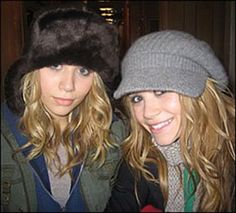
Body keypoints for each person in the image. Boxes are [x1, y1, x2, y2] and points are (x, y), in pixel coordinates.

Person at [1, 7, 126, 212]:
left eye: (83, 71)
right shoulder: (4, 136)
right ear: (32, 71)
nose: (68, 85)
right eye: (56, 66)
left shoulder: (114, 133)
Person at [105, 30, 235, 212]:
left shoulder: (229, 154)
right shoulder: (139, 159)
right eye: (137, 98)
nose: (148, 113)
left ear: (200, 95)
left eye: (160, 91)